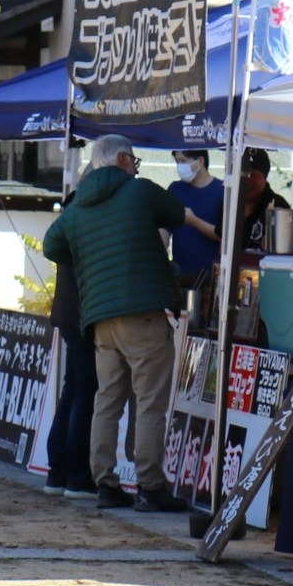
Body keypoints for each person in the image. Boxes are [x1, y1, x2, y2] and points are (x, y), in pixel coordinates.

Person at [41, 136, 189, 515]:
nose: (137, 166)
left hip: (99, 319)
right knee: (150, 402)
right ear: (123, 159)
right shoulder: (139, 192)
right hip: (143, 311)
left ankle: (105, 482)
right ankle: (151, 485)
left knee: (107, 399)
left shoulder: (76, 209)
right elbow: (175, 213)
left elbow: (51, 245)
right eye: (135, 160)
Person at [42, 255, 101, 499]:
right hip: (83, 313)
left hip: (70, 310)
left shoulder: (69, 219)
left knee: (74, 388)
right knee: (84, 391)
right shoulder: (87, 218)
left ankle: (59, 471)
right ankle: (76, 474)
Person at [168, 149, 224, 295]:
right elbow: (164, 228)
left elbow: (223, 235)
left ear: (200, 161)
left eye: (183, 161)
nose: (179, 167)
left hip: (210, 279)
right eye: (177, 162)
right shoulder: (175, 189)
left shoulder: (221, 190)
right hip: (179, 277)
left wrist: (194, 221)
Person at [236, 148, 292, 255]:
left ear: (264, 176)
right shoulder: (231, 202)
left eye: (252, 175)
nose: (246, 181)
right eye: (242, 175)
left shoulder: (278, 207)